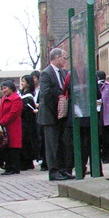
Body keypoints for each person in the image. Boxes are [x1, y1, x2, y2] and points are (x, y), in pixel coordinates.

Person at [38, 47, 73, 181]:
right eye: (64, 57)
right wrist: (59, 96)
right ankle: (53, 171)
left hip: (62, 114)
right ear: (57, 57)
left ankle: (63, 169)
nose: (65, 60)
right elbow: (46, 94)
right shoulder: (46, 73)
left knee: (63, 144)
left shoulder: (64, 73)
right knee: (52, 145)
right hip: (50, 115)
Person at [0, 80, 23, 175]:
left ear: (11, 88)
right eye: (2, 89)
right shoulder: (3, 98)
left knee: (13, 148)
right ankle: (9, 167)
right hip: (5, 126)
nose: (3, 90)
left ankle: (14, 168)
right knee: (7, 147)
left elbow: (13, 113)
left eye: (5, 88)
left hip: (13, 126)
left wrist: (2, 122)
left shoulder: (16, 99)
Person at [19, 75, 40, 170]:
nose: (22, 83)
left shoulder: (29, 96)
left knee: (27, 141)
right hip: (21, 122)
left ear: (28, 83)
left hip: (28, 122)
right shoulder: (20, 93)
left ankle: (27, 162)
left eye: (24, 81)